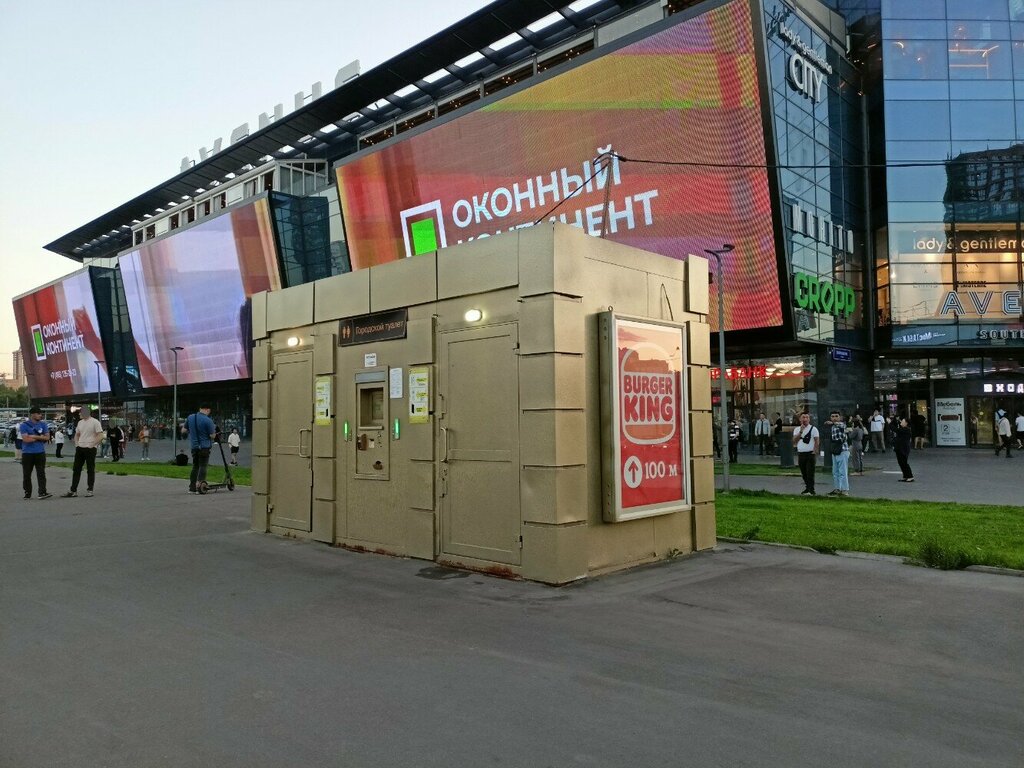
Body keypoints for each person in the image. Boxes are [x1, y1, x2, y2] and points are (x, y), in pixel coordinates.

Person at [61, 408, 104, 498]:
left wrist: (92, 444)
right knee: (76, 469)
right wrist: (77, 444)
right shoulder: (80, 423)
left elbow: (100, 435)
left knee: (90, 469)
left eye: (80, 413)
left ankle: (90, 490)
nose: (79, 414)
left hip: (90, 449)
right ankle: (73, 490)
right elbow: (77, 434)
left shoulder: (95, 422)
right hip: (80, 448)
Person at [20, 407, 52, 500]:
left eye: (40, 414)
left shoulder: (43, 424)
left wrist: (34, 436)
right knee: (26, 474)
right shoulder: (24, 425)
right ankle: (27, 493)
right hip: (27, 453)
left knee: (41, 473)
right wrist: (40, 437)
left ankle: (42, 492)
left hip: (40, 452)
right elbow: (26, 439)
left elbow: (47, 437)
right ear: (32, 414)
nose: (40, 415)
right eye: (38, 414)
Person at [187, 404, 218, 493]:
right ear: (208, 410)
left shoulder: (190, 417)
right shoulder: (208, 420)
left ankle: (192, 487)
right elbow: (212, 436)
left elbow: (184, 430)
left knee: (195, 466)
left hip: (194, 447)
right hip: (204, 447)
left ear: (200, 408)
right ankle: (199, 486)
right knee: (203, 466)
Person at [792, 412, 820, 496]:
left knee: (810, 472)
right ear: (800, 419)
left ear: (809, 419)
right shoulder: (797, 429)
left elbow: (817, 440)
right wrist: (801, 431)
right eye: (803, 417)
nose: (805, 419)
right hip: (801, 453)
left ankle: (811, 490)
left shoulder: (814, 429)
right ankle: (807, 487)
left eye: (807, 417)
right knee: (803, 472)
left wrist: (815, 451)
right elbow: (794, 441)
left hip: (810, 453)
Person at [826, 411, 850, 497]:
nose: (834, 418)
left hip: (843, 450)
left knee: (843, 471)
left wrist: (832, 422)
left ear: (840, 417)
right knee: (835, 472)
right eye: (832, 416)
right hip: (835, 450)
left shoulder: (842, 424)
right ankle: (837, 489)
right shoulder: (833, 427)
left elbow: (841, 425)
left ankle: (845, 490)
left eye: (836, 416)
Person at [893, 417, 914, 481]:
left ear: (906, 423)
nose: (901, 422)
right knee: (901, 463)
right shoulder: (903, 429)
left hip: (903, 449)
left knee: (904, 463)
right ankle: (905, 476)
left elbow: (895, 429)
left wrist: (890, 423)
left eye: (902, 421)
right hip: (899, 448)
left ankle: (910, 476)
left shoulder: (906, 429)